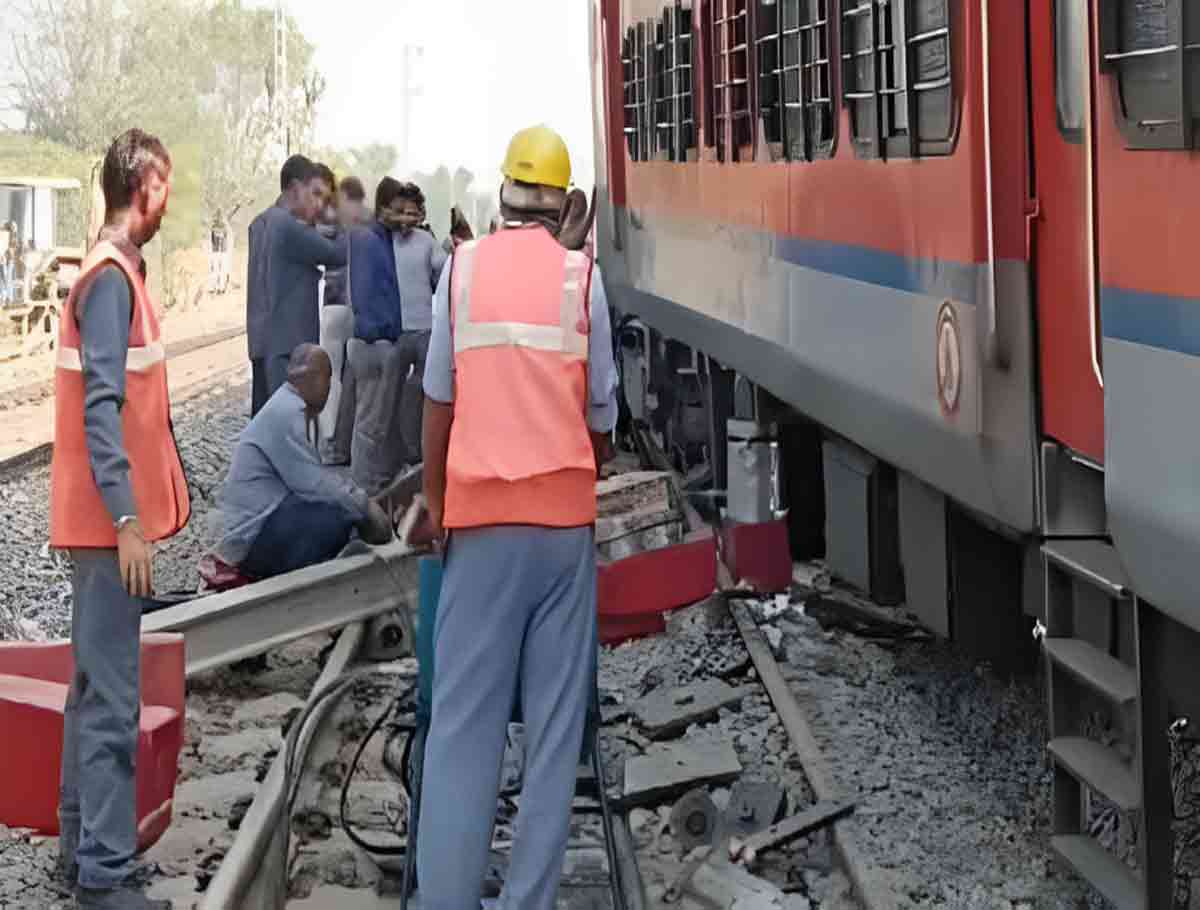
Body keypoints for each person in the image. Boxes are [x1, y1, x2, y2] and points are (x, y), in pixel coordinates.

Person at [412, 125, 615, 910]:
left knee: (464, 733)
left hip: (481, 528)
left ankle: (447, 901)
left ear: (501, 198)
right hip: (561, 532)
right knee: (554, 739)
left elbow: (437, 398)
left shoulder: (459, 272)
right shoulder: (582, 279)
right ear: (565, 204)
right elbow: (601, 412)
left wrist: (436, 499)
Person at [50, 128, 189, 910]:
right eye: (165, 186)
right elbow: (104, 410)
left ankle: (81, 850)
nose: (169, 201)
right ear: (147, 188)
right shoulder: (110, 282)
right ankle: (104, 877)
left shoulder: (114, 275)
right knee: (110, 699)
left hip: (96, 520)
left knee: (89, 688)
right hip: (108, 527)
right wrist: (130, 518)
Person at [214, 343, 392, 579]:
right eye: (327, 380)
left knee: (335, 509)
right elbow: (314, 484)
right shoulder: (288, 412)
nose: (329, 390)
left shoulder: (289, 406)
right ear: (313, 378)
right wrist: (363, 505)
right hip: (250, 538)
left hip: (256, 526)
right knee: (336, 517)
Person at [245, 155, 345, 416]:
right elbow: (337, 253)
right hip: (290, 347)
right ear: (295, 188)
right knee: (288, 425)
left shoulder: (259, 223)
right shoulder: (289, 227)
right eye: (315, 194)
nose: (319, 204)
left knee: (265, 423)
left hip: (260, 342)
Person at [344, 177, 407, 493]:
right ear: (384, 208)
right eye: (398, 211)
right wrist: (381, 336)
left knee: (378, 426)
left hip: (380, 342)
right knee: (369, 426)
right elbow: (367, 295)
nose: (404, 217)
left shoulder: (380, 238)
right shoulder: (369, 240)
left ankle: (376, 487)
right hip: (373, 342)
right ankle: (364, 493)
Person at [387, 182, 448, 464]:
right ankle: (402, 452)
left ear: (420, 214)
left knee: (422, 396)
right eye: (402, 212)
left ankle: (417, 453)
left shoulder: (426, 241)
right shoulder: (384, 240)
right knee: (394, 397)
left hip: (424, 330)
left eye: (412, 213)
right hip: (396, 332)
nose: (407, 218)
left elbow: (444, 272)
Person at [318, 176, 370, 464]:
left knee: (332, 378)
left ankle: (330, 444)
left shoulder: (330, 223)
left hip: (334, 305)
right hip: (357, 308)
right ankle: (345, 444)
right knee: (352, 379)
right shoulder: (368, 224)